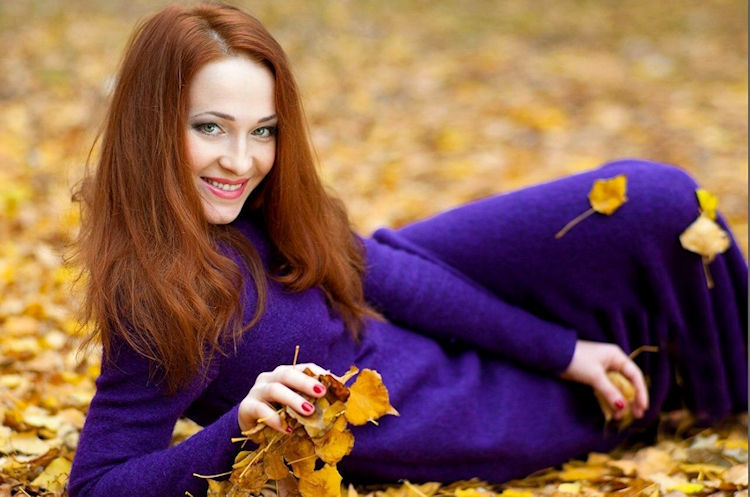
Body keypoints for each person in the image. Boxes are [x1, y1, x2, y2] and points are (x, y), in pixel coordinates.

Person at [67, 3, 748, 497]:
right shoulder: (156, 300)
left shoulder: (264, 206)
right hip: (458, 406)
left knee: (658, 200)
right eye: (211, 128)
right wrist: (240, 425)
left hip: (440, 310)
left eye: (264, 131)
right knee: (651, 364)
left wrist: (565, 350)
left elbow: (396, 277)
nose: (242, 161)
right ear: (153, 126)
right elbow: (97, 484)